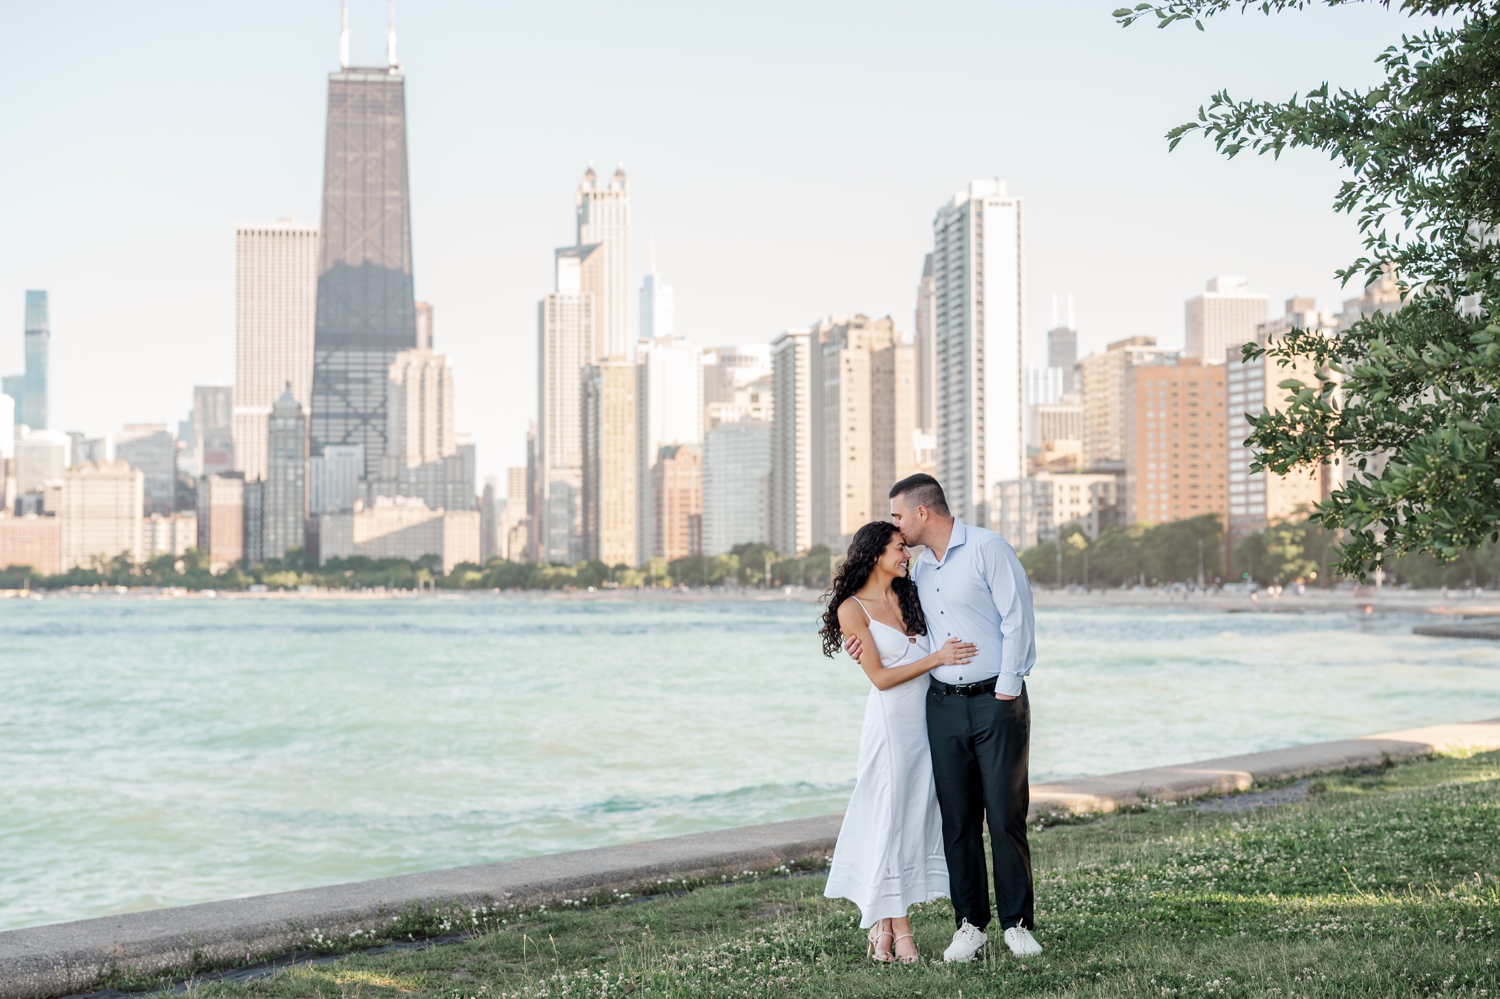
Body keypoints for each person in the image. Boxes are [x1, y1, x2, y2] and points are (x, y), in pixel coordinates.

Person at [845, 473, 1043, 962]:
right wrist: (856, 643)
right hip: (941, 706)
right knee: (956, 821)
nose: (895, 525)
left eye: (897, 516)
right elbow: (889, 618)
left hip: (996, 701)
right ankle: (970, 925)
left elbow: (1018, 617)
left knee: (1004, 816)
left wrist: (1007, 689)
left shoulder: (987, 548)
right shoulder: (917, 572)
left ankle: (1017, 925)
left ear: (921, 513)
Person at [818, 520, 980, 964]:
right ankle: (900, 932)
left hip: (926, 722)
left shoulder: (911, 593)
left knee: (908, 819)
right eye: (898, 548)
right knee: (890, 818)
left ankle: (881, 928)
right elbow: (882, 678)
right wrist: (937, 656)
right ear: (874, 554)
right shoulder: (853, 608)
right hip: (890, 726)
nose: (907, 554)